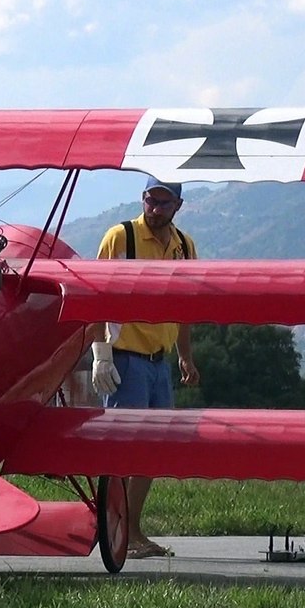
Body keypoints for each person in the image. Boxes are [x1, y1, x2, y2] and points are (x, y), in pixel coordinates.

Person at [91, 175, 200, 560]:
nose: (154, 209)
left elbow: (185, 306)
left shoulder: (185, 247)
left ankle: (132, 528)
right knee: (124, 449)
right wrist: (100, 353)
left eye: (163, 203)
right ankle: (114, 530)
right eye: (149, 201)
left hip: (159, 362)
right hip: (126, 360)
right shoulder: (121, 238)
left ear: (178, 207)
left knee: (153, 450)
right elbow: (95, 296)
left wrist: (185, 355)